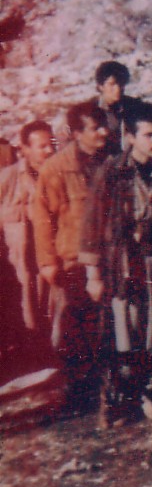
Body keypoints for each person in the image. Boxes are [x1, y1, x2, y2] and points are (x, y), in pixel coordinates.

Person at [78, 103, 152, 426]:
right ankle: (118, 400)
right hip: (124, 265)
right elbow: (92, 225)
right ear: (129, 137)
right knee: (123, 331)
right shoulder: (112, 171)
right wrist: (93, 275)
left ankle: (149, 393)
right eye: (149, 135)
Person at [30, 102, 112, 407]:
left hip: (110, 259)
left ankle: (111, 383)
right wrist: (47, 263)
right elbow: (43, 219)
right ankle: (79, 389)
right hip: (73, 262)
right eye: (95, 128)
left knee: (110, 325)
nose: (104, 132)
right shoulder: (56, 168)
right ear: (76, 133)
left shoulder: (113, 161)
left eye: (104, 126)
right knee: (77, 328)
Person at [0, 121, 55, 360]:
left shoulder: (57, 175)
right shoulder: (8, 178)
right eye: (42, 146)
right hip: (18, 264)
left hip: (49, 258)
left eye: (52, 145)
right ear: (24, 149)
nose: (49, 151)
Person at [93, 61, 148, 154]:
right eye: (112, 84)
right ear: (101, 86)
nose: (118, 89)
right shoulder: (91, 109)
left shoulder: (134, 105)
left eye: (121, 83)